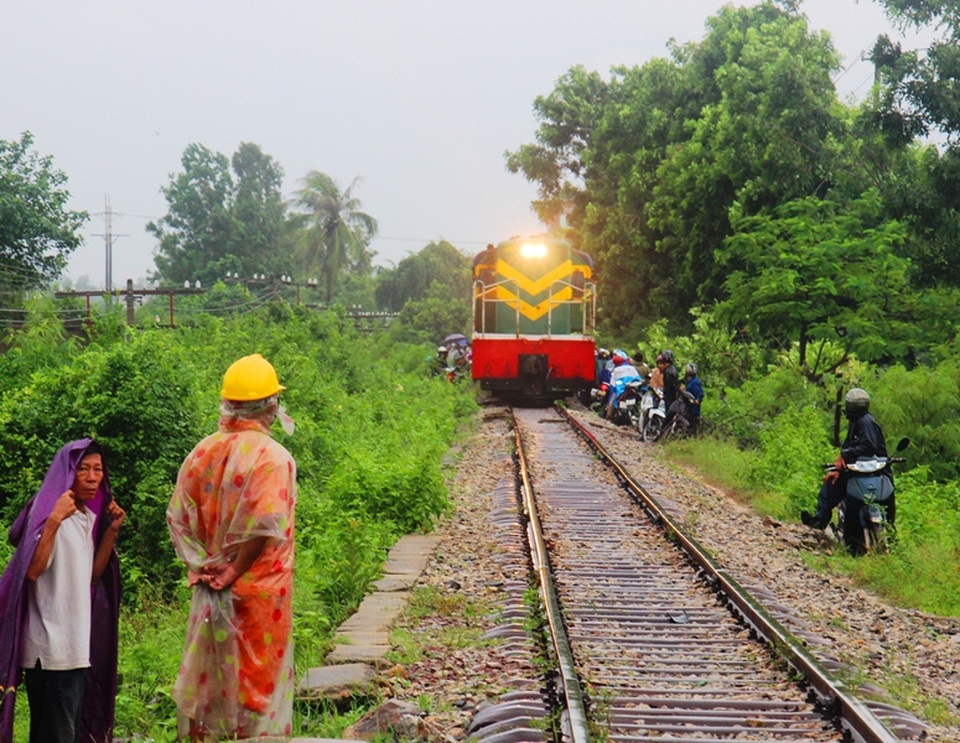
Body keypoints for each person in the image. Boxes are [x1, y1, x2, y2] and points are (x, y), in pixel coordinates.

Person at [167, 354, 298, 741]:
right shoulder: (273, 457)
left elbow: (178, 516)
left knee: (211, 682)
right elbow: (265, 527)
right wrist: (232, 570)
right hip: (259, 595)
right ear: (270, 406)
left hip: (212, 587)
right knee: (256, 690)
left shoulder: (202, 452)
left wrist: (201, 564)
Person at [0, 439, 125, 743]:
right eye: (83, 469)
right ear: (68, 474)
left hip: (74, 650)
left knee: (63, 734)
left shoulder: (85, 519)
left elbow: (90, 579)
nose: (93, 477)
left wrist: (111, 531)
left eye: (98, 469)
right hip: (50, 651)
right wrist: (55, 520)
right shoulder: (47, 518)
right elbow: (32, 570)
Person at [801, 387, 889, 530]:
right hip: (860, 470)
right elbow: (857, 450)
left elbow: (868, 447)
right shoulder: (859, 422)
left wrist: (844, 455)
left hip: (872, 472)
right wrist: (839, 468)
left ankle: (820, 520)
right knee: (831, 483)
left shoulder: (864, 422)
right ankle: (821, 520)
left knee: (886, 499)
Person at [605, 350, 642, 420]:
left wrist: (613, 390)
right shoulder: (631, 368)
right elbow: (638, 379)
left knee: (612, 399)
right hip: (631, 389)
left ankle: (608, 415)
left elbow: (612, 384)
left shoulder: (616, 370)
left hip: (620, 390)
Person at [681, 363, 704, 432]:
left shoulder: (694, 382)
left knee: (693, 421)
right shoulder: (689, 381)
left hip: (693, 406)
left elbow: (700, 393)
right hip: (689, 405)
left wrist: (697, 400)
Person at [660, 349, 680, 414]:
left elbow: (670, 386)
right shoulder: (673, 370)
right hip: (672, 396)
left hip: (670, 396)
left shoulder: (668, 372)